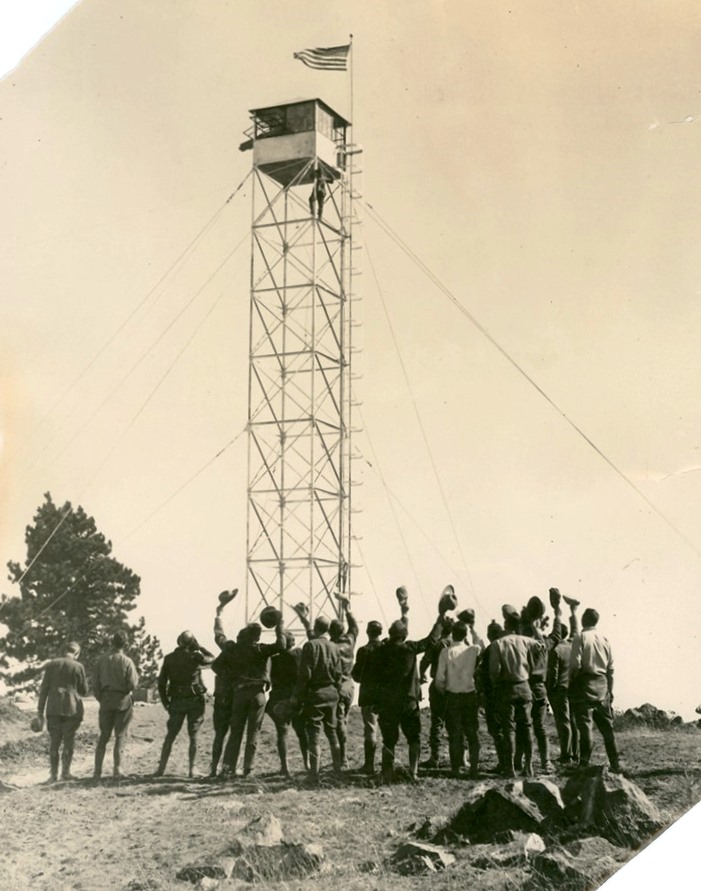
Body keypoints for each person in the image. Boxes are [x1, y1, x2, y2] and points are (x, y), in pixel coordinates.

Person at [374, 589, 445, 783]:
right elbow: (431, 640)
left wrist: (404, 614)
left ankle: (387, 772)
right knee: (414, 738)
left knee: (389, 740)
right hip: (409, 702)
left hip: (388, 703)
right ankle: (413, 772)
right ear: (404, 635)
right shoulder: (410, 649)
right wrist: (441, 617)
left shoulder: (382, 651)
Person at [217, 611, 286, 778]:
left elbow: (219, 640)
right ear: (257, 637)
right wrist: (279, 624)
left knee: (235, 732)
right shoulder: (261, 650)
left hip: (239, 693)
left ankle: (228, 768)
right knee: (253, 732)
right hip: (257, 693)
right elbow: (281, 645)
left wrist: (219, 615)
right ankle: (248, 769)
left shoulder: (234, 649)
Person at [292, 613, 343, 783]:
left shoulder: (310, 646)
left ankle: (314, 774)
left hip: (316, 694)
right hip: (332, 693)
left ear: (316, 627)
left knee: (314, 735)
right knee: (332, 733)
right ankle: (337, 771)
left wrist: (297, 695)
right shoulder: (335, 647)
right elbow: (338, 674)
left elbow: (305, 674)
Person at [155, 631, 214, 778]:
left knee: (171, 735)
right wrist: (199, 646)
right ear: (192, 642)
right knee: (193, 735)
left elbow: (161, 683)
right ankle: (192, 769)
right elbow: (213, 659)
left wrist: (165, 702)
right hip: (195, 700)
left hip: (176, 701)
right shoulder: (196, 657)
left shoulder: (169, 658)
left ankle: (160, 769)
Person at [569, 607, 621, 773]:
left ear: (584, 620)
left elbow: (575, 665)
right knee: (607, 728)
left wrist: (572, 681)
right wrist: (610, 690)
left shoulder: (581, 637)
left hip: (584, 683)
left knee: (585, 727)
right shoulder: (605, 639)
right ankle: (615, 764)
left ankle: (583, 763)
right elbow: (611, 668)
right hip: (602, 684)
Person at [489, 606, 539, 778]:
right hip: (524, 686)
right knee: (527, 727)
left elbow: (494, 671)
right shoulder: (525, 641)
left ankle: (509, 768)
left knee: (508, 728)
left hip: (506, 688)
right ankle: (528, 766)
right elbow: (541, 647)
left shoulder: (498, 644)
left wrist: (497, 684)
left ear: (505, 625)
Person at [434, 619, 484, 778]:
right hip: (470, 695)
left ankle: (456, 768)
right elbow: (481, 643)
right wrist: (473, 628)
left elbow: (440, 679)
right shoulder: (472, 650)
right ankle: (474, 768)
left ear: (453, 634)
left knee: (454, 734)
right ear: (465, 635)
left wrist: (443, 692)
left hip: (452, 695)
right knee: (472, 732)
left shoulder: (446, 652)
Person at [36, 640, 88, 783]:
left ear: (64, 650)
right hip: (72, 709)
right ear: (76, 653)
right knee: (69, 740)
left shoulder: (51, 664)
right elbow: (84, 691)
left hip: (53, 708)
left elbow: (44, 690)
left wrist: (40, 712)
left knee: (54, 742)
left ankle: (53, 775)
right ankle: (66, 773)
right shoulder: (78, 666)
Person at [92, 630, 139, 781]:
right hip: (122, 702)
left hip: (106, 701)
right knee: (120, 736)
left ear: (112, 642)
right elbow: (133, 684)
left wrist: (102, 699)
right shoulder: (126, 661)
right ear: (125, 644)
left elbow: (95, 684)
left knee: (103, 736)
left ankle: (97, 772)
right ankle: (117, 769)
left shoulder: (101, 661)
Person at [266, 630, 308, 776]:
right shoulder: (299, 655)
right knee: (302, 732)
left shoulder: (274, 659)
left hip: (278, 698)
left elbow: (269, 679)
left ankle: (285, 766)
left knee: (282, 733)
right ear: (293, 642)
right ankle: (307, 764)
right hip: (296, 698)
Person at [547, 594, 580, 765]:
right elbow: (576, 630)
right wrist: (573, 611)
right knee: (573, 721)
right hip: (573, 687)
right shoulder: (573, 644)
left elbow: (552, 674)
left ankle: (566, 755)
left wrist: (550, 689)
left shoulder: (556, 650)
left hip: (560, 690)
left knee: (563, 722)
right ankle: (575, 753)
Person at [209, 588, 239, 777]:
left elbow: (218, 633)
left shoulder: (228, 649)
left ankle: (213, 769)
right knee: (235, 735)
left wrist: (219, 613)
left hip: (222, 697)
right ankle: (228, 769)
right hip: (237, 699)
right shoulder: (247, 654)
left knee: (220, 734)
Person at [418, 615, 453, 769]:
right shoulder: (461, 645)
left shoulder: (438, 645)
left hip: (438, 685)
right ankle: (461, 758)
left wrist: (422, 675)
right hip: (456, 686)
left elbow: (424, 661)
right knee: (457, 723)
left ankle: (435, 757)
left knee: (437, 722)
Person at [329, 593, 359, 769]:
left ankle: (343, 758)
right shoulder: (350, 640)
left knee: (339, 723)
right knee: (344, 720)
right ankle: (343, 756)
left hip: (338, 687)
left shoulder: (331, 648)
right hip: (350, 686)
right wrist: (347, 608)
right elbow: (354, 626)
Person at [351, 618, 384, 775]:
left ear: (367, 632)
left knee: (370, 730)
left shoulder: (363, 651)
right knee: (388, 731)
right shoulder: (386, 649)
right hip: (385, 694)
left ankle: (369, 765)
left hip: (368, 695)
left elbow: (356, 676)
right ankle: (387, 766)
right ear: (381, 632)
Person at [476, 620, 505, 773]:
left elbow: (484, 674)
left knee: (496, 730)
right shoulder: (507, 647)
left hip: (493, 695)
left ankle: (503, 763)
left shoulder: (491, 650)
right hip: (507, 693)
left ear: (489, 635)